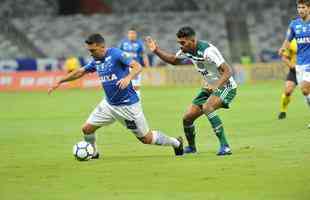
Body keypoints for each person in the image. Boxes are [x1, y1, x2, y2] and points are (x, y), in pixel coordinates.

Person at [48, 33, 183, 158]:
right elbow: (80, 72)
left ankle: (176, 143)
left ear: (102, 47)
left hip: (128, 106)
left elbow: (137, 66)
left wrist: (128, 78)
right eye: (89, 51)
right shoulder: (96, 60)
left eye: (93, 50)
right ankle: (94, 153)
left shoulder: (116, 54)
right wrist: (60, 81)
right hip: (109, 105)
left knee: (146, 138)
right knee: (87, 129)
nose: (91, 54)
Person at [145, 26, 237, 156]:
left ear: (192, 40)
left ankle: (225, 146)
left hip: (226, 86)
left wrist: (216, 85)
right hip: (209, 87)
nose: (181, 46)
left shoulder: (208, 51)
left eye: (183, 43)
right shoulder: (186, 50)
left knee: (207, 107)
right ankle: (192, 148)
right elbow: (173, 61)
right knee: (187, 118)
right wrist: (156, 50)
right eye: (179, 43)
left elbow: (228, 71)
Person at [279, 0, 310, 128]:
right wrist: (282, 48)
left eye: (303, 7)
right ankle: (283, 110)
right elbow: (288, 39)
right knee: (305, 92)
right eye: (299, 7)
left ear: (309, 8)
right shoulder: (294, 24)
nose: (300, 10)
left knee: (304, 88)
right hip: (299, 64)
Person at [119, 29, 149, 97]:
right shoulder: (123, 43)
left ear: (136, 35)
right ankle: (126, 102)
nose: (132, 35)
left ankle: (137, 101)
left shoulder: (139, 44)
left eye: (133, 34)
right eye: (130, 33)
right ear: (128, 35)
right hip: (125, 67)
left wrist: (147, 66)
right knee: (125, 85)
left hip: (136, 67)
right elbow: (119, 55)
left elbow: (144, 55)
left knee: (136, 86)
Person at [278, 39, 298, 119]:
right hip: (295, 71)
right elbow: (284, 57)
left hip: (307, 70)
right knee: (287, 91)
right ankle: (283, 110)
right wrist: (292, 66)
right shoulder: (292, 42)